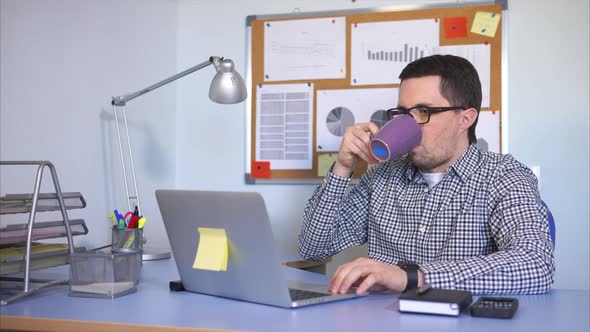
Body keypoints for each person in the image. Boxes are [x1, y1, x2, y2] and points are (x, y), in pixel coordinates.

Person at [299, 54, 554, 296]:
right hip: (380, 320)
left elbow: (536, 264)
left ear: (465, 118)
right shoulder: (382, 177)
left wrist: (411, 277)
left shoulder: (503, 176)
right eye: (403, 113)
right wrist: (343, 167)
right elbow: (314, 248)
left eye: (423, 112)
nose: (409, 125)